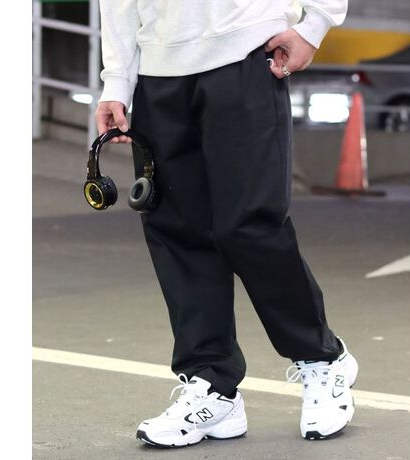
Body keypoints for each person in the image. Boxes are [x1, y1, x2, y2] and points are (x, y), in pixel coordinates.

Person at [95, 0, 357, 448]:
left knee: (250, 225)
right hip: (159, 69)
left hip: (246, 51)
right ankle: (212, 385)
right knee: (178, 230)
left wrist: (315, 24)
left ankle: (321, 358)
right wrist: (117, 80)